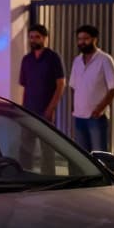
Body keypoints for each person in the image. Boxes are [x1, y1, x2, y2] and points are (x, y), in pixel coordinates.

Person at [18, 23, 65, 172]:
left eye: (37, 37)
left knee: (47, 147)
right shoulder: (27, 59)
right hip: (29, 109)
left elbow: (60, 84)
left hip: (46, 109)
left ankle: (49, 175)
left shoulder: (53, 58)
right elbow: (25, 86)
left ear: (44, 38)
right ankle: (25, 174)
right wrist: (22, 108)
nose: (33, 40)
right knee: (25, 146)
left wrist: (51, 108)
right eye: (31, 37)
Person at [68, 24, 114, 152]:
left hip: (96, 117)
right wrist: (74, 107)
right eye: (79, 39)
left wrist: (100, 108)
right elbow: (73, 86)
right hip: (79, 116)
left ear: (95, 39)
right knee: (82, 155)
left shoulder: (105, 59)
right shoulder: (77, 61)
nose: (82, 42)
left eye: (86, 38)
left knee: (99, 155)